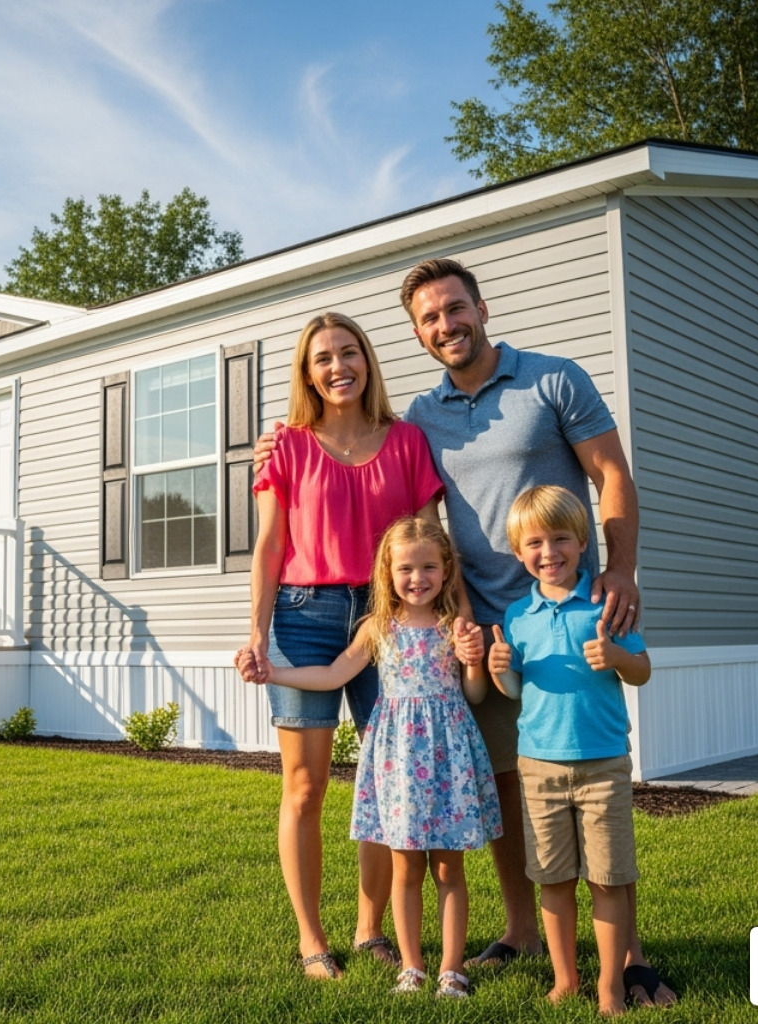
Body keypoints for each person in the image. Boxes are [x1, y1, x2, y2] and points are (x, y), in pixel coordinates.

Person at [253, 259, 675, 1006]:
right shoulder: (422, 416)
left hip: (553, 620)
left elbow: (611, 472)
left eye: (454, 309)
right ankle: (517, 931)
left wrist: (622, 568)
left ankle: (625, 955)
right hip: (471, 624)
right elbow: (339, 492)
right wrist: (278, 443)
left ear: (481, 306)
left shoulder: (551, 381)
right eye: (429, 318)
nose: (445, 325)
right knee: (505, 785)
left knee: (581, 774)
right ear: (417, 334)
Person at [236, 312, 446, 979]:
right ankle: (310, 939)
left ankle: (369, 929)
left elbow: (433, 539)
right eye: (323, 358)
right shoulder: (288, 445)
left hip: (389, 617)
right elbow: (270, 546)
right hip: (304, 614)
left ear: (367, 360)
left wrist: (451, 619)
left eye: (349, 353)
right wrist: (256, 631)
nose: (338, 368)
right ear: (308, 371)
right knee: (305, 784)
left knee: (389, 780)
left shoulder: (407, 440)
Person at [240, 517, 501, 998]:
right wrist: (273, 674)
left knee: (448, 869)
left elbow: (476, 694)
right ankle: (412, 966)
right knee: (405, 868)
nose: (417, 578)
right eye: (405, 568)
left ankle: (451, 969)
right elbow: (334, 675)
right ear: (388, 572)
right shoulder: (377, 627)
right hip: (398, 764)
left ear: (446, 570)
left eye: (428, 567)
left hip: (448, 763)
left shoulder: (455, 627)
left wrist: (473, 661)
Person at [487, 485, 652, 1017]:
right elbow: (515, 690)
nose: (548, 551)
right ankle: (565, 978)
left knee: (607, 879)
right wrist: (500, 671)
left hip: (603, 764)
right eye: (534, 542)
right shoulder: (517, 616)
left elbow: (643, 670)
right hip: (538, 768)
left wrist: (616, 658)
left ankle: (609, 986)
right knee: (553, 880)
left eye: (560, 538)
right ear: (519, 553)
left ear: (583, 543)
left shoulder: (606, 603)